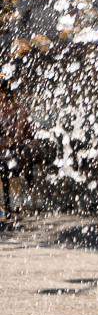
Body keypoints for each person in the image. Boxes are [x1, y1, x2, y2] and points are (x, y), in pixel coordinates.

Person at [0, 87, 30, 224]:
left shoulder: (19, 110)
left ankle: (7, 206)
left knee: (2, 166)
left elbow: (18, 138)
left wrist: (4, 143)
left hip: (14, 151)